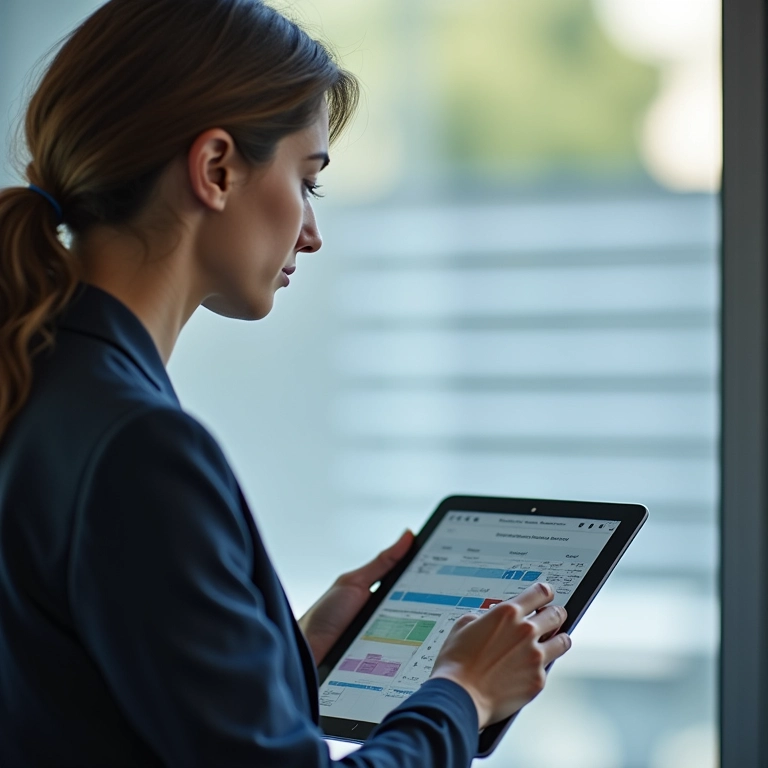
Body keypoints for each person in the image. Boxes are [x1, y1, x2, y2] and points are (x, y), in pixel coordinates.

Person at [0, 1, 571, 765]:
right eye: (308, 181)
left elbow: (81, 700)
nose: (312, 230)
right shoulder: (138, 445)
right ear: (216, 169)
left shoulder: (39, 387)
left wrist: (284, 650)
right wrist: (462, 694)